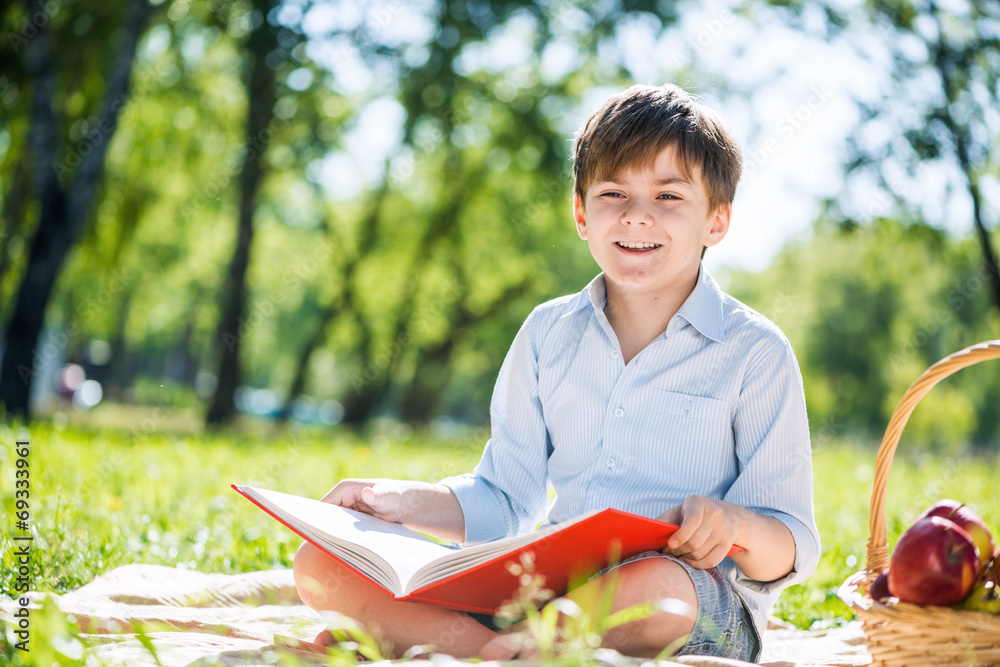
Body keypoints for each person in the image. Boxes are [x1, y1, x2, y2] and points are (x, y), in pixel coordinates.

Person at [292, 83, 820, 662]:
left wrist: (735, 524)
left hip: (691, 600)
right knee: (322, 564)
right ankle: (508, 652)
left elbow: (790, 543)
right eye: (614, 193)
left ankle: (466, 649)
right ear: (581, 213)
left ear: (716, 221)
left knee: (655, 588)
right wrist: (396, 502)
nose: (637, 216)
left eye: (669, 197)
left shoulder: (755, 352)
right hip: (548, 591)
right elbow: (506, 499)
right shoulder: (548, 333)